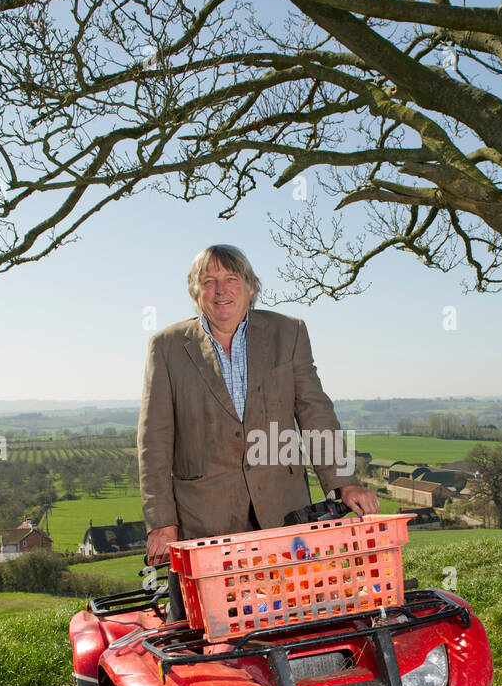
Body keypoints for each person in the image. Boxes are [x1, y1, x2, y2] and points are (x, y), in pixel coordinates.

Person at [138, 244, 378, 576]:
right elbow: (155, 441)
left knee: (294, 614)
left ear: (251, 287)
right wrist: (162, 521)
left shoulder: (288, 333)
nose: (220, 290)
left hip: (284, 511)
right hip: (203, 518)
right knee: (211, 623)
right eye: (208, 281)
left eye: (231, 279)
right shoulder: (167, 347)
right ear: (196, 294)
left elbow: (314, 411)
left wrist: (344, 482)